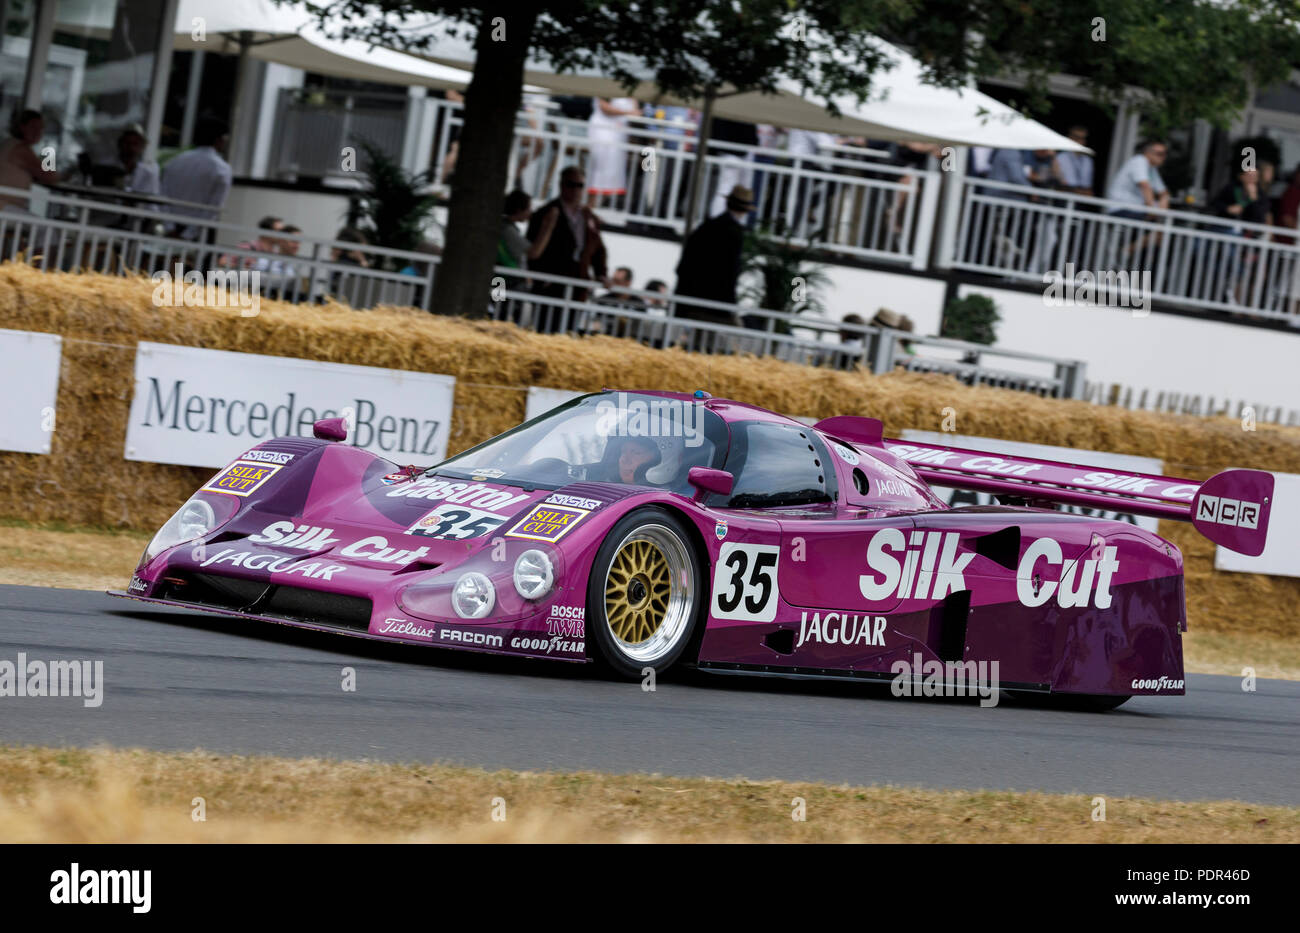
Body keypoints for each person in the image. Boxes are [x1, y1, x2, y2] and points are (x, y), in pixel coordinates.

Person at [525, 166, 608, 330]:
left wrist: (601, 274)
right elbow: (532, 248)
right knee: (546, 330)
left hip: (577, 288)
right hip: (550, 287)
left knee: (569, 331)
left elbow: (598, 249)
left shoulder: (588, 216)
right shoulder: (545, 213)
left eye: (580, 186)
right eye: (571, 185)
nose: (576, 190)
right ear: (562, 185)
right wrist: (540, 279)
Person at [674, 184, 753, 350]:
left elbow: (684, 265)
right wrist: (729, 305)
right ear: (745, 210)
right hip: (715, 304)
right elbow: (729, 273)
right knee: (731, 345)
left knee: (697, 345)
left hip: (691, 299)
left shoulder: (707, 226)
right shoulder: (734, 233)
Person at [160, 117, 232, 241]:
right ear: (219, 139)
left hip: (171, 228)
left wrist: (169, 227)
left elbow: (162, 195)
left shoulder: (176, 161)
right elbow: (214, 207)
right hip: (196, 232)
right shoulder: (222, 168)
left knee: (170, 258)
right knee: (181, 259)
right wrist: (187, 235)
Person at [0, 109, 58, 211]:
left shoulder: (9, 143)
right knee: (50, 227)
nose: (38, 133)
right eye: (33, 127)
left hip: (7, 206)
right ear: (22, 127)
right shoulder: (21, 149)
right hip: (4, 207)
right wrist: (49, 153)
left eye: (40, 129)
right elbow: (50, 177)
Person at [586, 97, 639, 207]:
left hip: (618, 135)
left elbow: (636, 110)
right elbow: (604, 106)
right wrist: (628, 112)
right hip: (603, 133)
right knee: (599, 174)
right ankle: (590, 206)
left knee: (612, 175)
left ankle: (597, 207)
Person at [113, 124, 160, 196]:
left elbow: (151, 200)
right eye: (127, 143)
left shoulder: (149, 170)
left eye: (135, 144)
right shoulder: (109, 165)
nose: (131, 148)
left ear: (142, 147)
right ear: (120, 144)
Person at [1056, 126, 1095, 196]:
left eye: (1083, 138)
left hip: (1082, 198)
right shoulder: (1061, 157)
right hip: (1064, 197)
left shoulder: (1088, 161)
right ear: (1070, 138)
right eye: (1077, 138)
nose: (1080, 141)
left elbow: (1088, 187)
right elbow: (1058, 185)